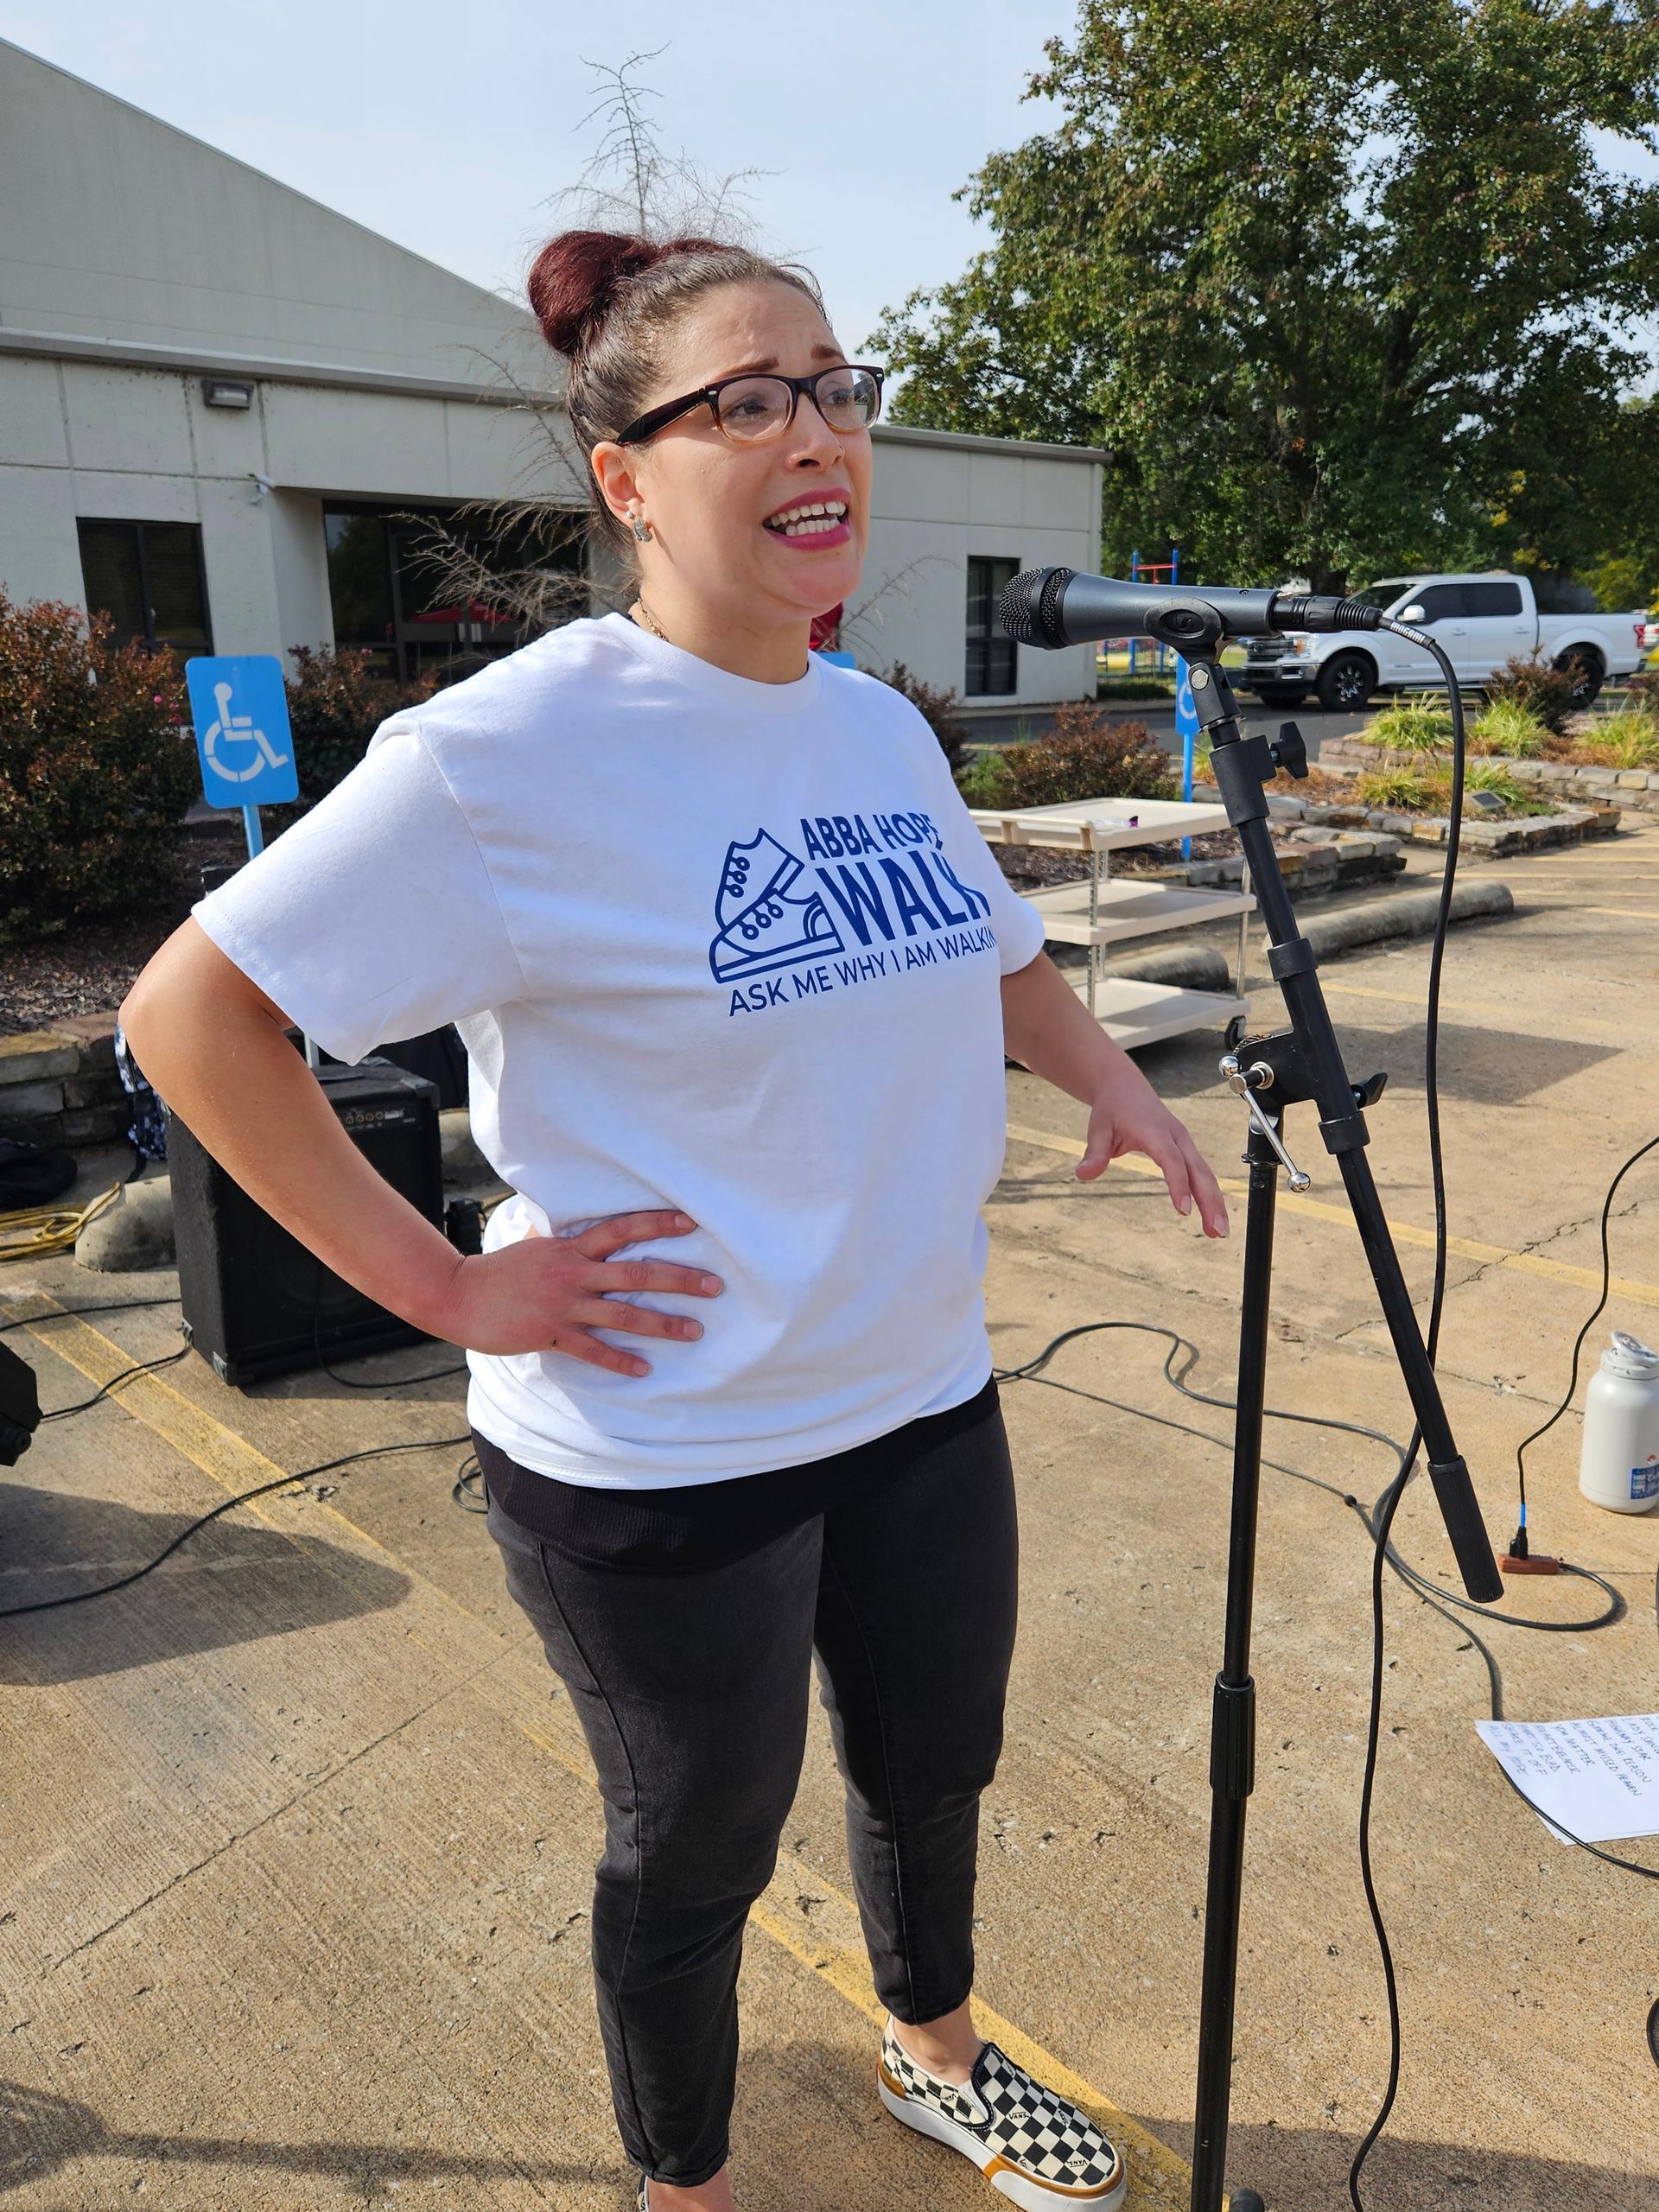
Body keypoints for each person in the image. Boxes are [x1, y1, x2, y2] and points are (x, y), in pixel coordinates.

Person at [121, 229, 1228, 2212]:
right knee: (697, 1841)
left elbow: (984, 948)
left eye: (831, 383)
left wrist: (1117, 1080)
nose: (814, 429)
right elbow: (192, 1017)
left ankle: (939, 2049)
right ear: (628, 474)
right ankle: (684, 2179)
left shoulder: (874, 723)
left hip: (915, 1384)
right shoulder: (503, 758)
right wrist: (444, 1278)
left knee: (928, 1774)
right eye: (745, 397)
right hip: (663, 1443)